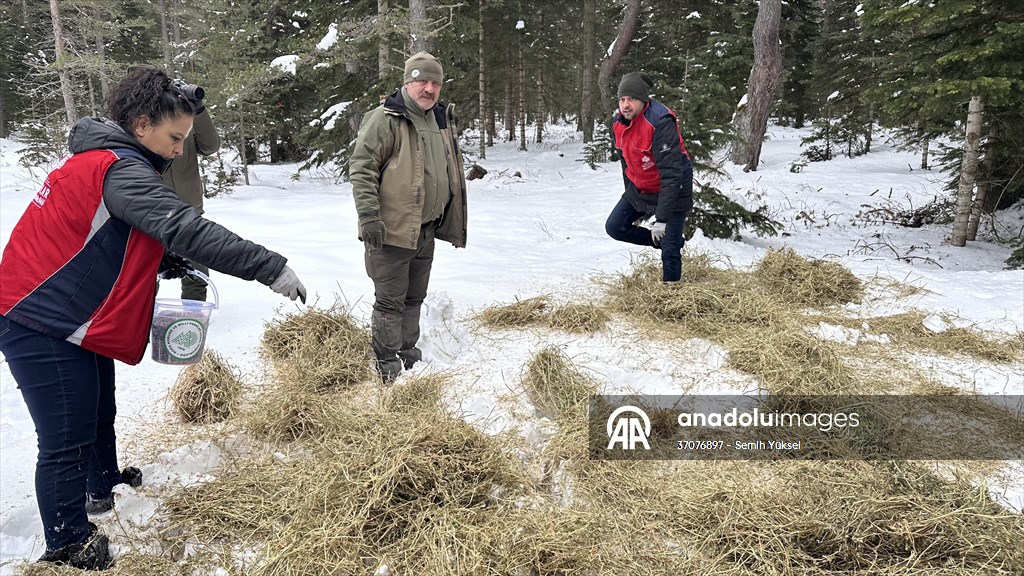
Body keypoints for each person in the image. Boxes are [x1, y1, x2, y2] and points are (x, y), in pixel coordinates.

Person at [0, 67, 306, 569]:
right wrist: (268, 266)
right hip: (40, 318)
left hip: (66, 311)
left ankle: (104, 486)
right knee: (64, 436)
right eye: (174, 137)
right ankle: (67, 543)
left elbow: (103, 234)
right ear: (142, 124)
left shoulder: (106, 160)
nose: (180, 150)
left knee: (97, 411)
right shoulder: (117, 166)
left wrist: (164, 260)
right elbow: (182, 224)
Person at [349, 51, 467, 383]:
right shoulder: (386, 118)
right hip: (391, 232)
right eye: (422, 81)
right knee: (390, 302)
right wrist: (369, 215)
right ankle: (386, 363)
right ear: (407, 81)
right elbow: (361, 167)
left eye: (435, 82)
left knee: (415, 297)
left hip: (425, 229)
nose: (429, 88)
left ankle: (407, 352)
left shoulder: (437, 118)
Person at [604, 71, 693, 283]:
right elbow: (626, 161)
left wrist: (661, 219)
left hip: (672, 189)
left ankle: (671, 296)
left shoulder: (660, 122)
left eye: (632, 99)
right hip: (641, 187)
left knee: (669, 255)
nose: (625, 105)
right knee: (615, 227)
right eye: (622, 99)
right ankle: (666, 241)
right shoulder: (619, 123)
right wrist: (631, 194)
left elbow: (672, 175)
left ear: (643, 100)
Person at [160, 73, 221, 301]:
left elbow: (210, 145)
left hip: (188, 210)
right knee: (144, 279)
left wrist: (198, 110)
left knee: (197, 275)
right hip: (151, 214)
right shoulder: (139, 123)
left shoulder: (183, 117)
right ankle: (141, 326)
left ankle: (191, 323)